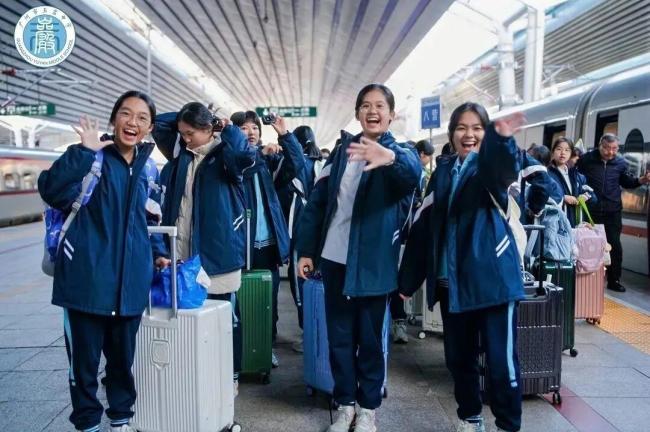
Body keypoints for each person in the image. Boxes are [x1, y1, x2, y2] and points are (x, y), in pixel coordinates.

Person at [38, 91, 167, 432]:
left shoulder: (148, 168)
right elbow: (51, 190)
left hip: (130, 283)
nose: (132, 122)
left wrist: (157, 254)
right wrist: (83, 151)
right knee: (83, 367)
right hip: (86, 280)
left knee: (122, 363)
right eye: (126, 114)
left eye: (142, 118)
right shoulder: (90, 157)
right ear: (114, 119)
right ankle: (88, 424)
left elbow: (148, 218)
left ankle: (120, 421)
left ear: (149, 128)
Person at [297, 83, 421, 432]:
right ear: (357, 113)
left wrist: (389, 158)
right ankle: (345, 405)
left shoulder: (400, 153)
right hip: (335, 259)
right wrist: (307, 250)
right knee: (339, 339)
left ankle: (368, 409)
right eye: (365, 105)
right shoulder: (341, 153)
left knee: (369, 341)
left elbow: (412, 174)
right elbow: (318, 203)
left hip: (373, 264)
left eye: (380, 106)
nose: (372, 111)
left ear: (391, 115)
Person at [399, 102, 526, 432]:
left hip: (493, 283)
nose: (468, 134)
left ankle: (508, 425)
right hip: (451, 282)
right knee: (458, 359)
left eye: (477, 128)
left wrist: (501, 140)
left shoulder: (488, 168)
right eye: (461, 127)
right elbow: (424, 226)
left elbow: (503, 169)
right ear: (452, 133)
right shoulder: (442, 171)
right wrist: (407, 282)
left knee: (501, 363)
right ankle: (470, 418)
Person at [152, 102, 255, 396]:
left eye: (191, 133)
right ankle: (196, 376)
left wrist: (227, 127)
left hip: (218, 255)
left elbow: (245, 155)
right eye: (182, 133)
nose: (185, 139)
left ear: (209, 130)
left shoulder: (226, 156)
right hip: (182, 255)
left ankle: (230, 376)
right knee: (189, 319)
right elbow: (159, 124)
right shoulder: (180, 155)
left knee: (225, 320)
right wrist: (191, 115)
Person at [231, 110, 304, 366]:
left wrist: (285, 135)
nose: (251, 132)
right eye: (244, 128)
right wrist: (258, 154)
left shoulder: (269, 162)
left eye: (255, 128)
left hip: (268, 244)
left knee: (267, 302)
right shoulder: (230, 160)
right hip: (242, 244)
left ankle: (265, 347)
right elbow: (242, 169)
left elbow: (297, 164)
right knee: (241, 302)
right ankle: (240, 352)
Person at [576, 133, 650, 292]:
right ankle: (586, 277)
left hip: (612, 211)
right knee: (588, 245)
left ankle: (614, 280)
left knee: (614, 246)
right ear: (599, 146)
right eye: (607, 148)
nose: (610, 152)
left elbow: (627, 182)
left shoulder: (620, 163)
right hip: (591, 210)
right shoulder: (586, 160)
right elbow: (576, 178)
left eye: (614, 148)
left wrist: (641, 180)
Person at [274, 124, 322, 352]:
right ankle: (320, 331)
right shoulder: (322, 164)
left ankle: (308, 333)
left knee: (300, 282)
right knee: (319, 282)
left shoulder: (293, 164)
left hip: (299, 230)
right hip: (321, 233)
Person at [390, 138, 435, 344]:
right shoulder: (407, 171)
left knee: (397, 279)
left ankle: (397, 321)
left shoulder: (418, 175)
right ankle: (396, 321)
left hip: (403, 236)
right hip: (396, 234)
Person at [547, 137, 597, 226]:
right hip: (556, 223)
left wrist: (585, 196)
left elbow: (592, 196)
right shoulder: (546, 174)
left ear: (571, 154)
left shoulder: (576, 175)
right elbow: (542, 195)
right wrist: (563, 198)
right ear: (553, 152)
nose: (563, 153)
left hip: (575, 224)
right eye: (559, 149)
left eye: (567, 150)